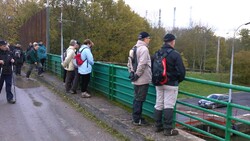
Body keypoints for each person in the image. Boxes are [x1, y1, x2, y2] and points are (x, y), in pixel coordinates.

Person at [153, 33, 186, 136]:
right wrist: (177, 80)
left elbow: (152, 68)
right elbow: (182, 71)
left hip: (158, 82)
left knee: (159, 104)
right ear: (172, 41)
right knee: (169, 105)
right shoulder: (175, 54)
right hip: (171, 83)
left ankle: (158, 126)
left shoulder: (157, 53)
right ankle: (168, 129)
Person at [127, 32, 152, 126]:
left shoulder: (133, 48)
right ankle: (137, 119)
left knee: (136, 98)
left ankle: (136, 117)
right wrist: (137, 75)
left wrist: (132, 73)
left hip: (135, 78)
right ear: (145, 39)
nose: (149, 40)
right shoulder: (144, 49)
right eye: (148, 38)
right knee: (140, 99)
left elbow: (129, 63)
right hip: (142, 78)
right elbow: (142, 64)